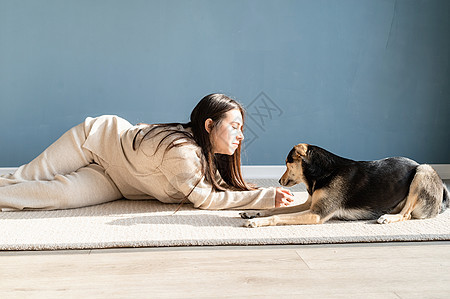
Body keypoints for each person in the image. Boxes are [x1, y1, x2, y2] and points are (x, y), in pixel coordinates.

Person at [0, 93, 294, 211]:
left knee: (58, 197)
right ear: (209, 125)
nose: (241, 136)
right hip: (97, 139)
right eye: (235, 126)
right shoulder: (182, 152)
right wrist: (265, 197)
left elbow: (215, 190)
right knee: (23, 177)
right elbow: (206, 200)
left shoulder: (208, 163)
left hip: (117, 181)